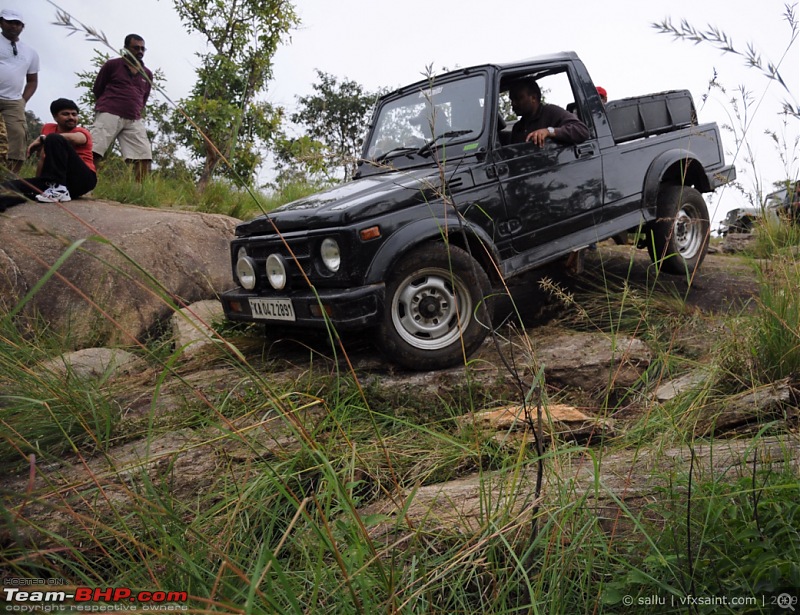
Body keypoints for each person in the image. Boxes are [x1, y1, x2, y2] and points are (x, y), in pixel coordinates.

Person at [0, 98, 97, 211]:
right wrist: (38, 182)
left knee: (54, 138)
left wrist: (43, 139)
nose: (71, 117)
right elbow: (43, 157)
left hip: (82, 179)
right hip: (53, 181)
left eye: (74, 114)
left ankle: (59, 190)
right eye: (65, 114)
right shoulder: (48, 128)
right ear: (55, 117)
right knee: (7, 187)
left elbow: (76, 139)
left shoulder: (82, 132)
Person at [90, 34, 153, 181]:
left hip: (133, 118)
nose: (140, 51)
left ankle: (139, 193)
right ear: (126, 48)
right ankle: (85, 186)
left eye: (143, 49)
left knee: (144, 155)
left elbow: (144, 97)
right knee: (94, 151)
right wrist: (108, 104)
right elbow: (98, 89)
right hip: (109, 112)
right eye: (136, 48)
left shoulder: (147, 74)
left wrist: (135, 109)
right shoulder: (112, 65)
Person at [0, 9, 39, 175]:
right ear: (1, 22)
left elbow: (32, 81)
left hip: (13, 101)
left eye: (18, 23)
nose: (14, 26)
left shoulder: (30, 52)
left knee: (18, 136)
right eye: (10, 22)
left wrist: (22, 101)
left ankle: (7, 182)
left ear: (23, 26)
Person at [508, 77, 589, 146]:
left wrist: (549, 131)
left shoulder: (551, 112)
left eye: (518, 98)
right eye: (511, 100)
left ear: (533, 98)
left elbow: (582, 130)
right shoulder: (517, 128)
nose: (513, 103)